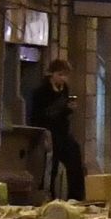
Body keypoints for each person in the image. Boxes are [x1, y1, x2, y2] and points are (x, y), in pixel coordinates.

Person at [26, 59, 83, 200]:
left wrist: (69, 109)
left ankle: (76, 196)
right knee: (51, 166)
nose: (63, 78)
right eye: (60, 74)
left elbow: (63, 114)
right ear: (52, 74)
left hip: (63, 132)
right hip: (48, 133)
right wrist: (62, 109)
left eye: (65, 75)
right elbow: (39, 115)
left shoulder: (65, 90)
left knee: (74, 158)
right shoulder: (41, 92)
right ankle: (48, 194)